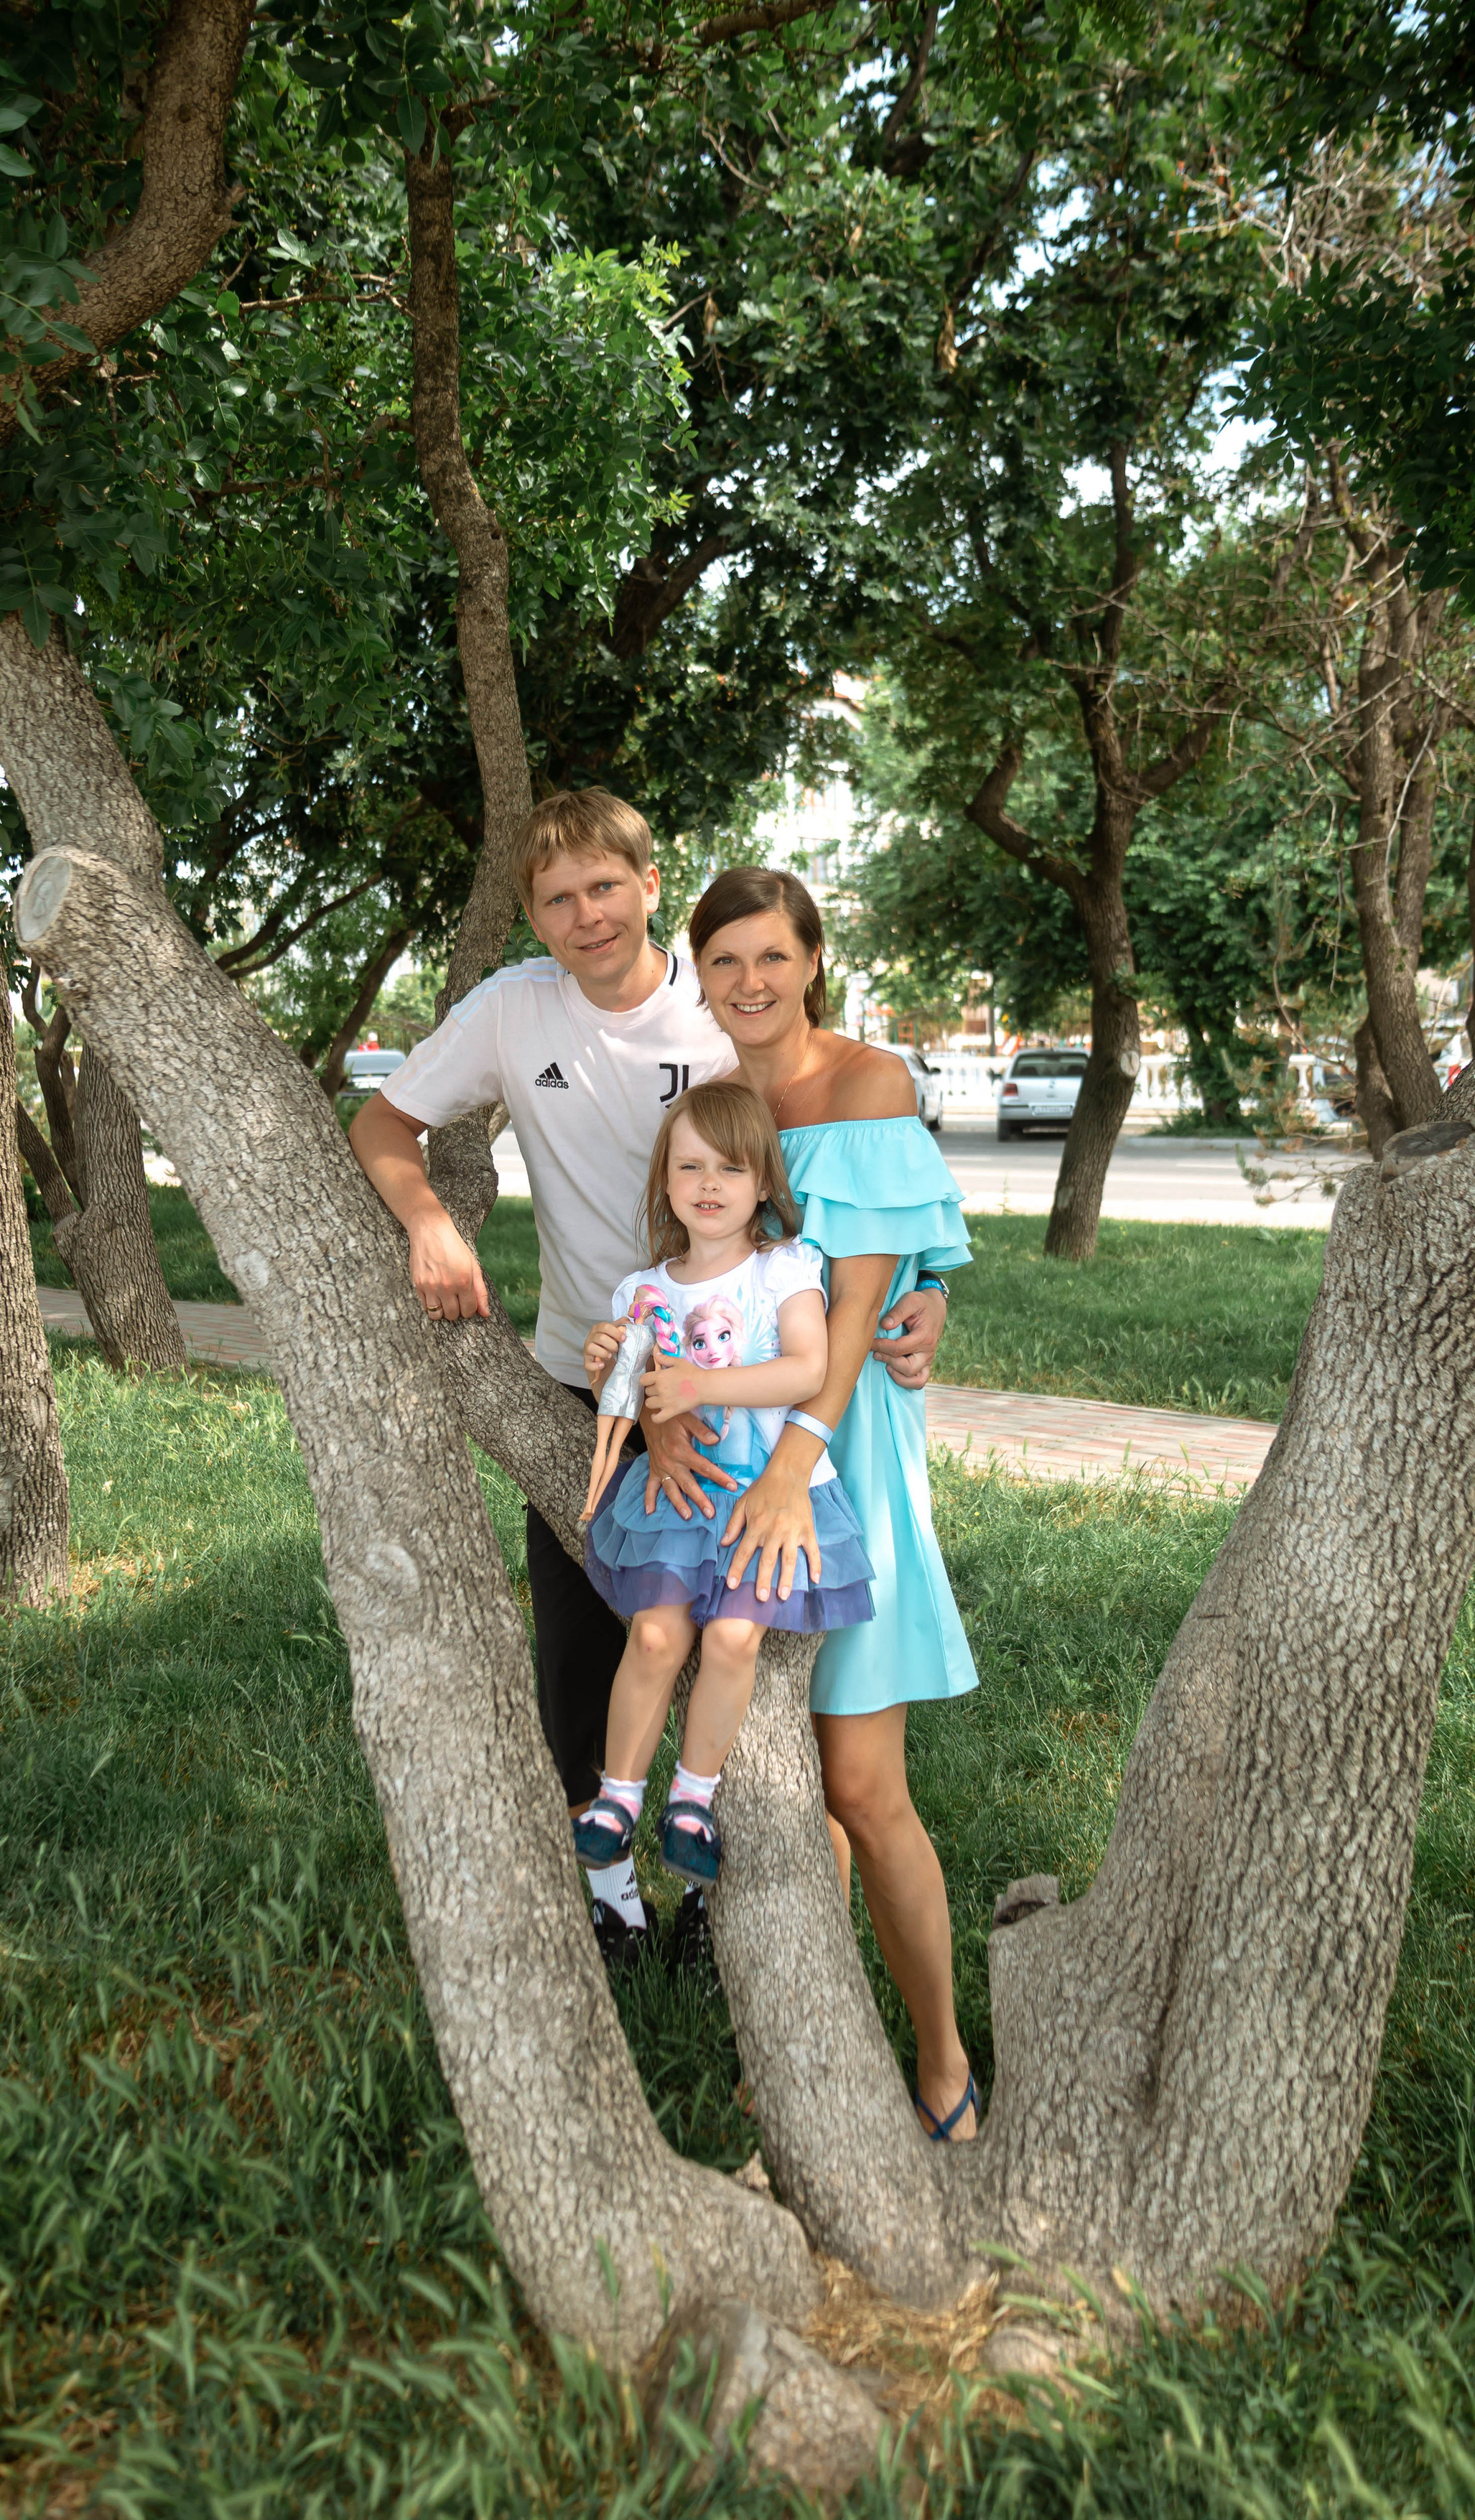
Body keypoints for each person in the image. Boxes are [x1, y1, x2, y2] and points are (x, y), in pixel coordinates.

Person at [349, 788, 949, 1968]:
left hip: (749, 1393)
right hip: (592, 1383)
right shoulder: (512, 1014)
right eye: (558, 898)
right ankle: (610, 1898)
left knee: (733, 1651)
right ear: (531, 913)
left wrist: (928, 1287)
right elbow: (381, 1127)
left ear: (649, 884)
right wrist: (427, 1223)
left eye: (605, 886)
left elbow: (839, 1168)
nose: (587, 915)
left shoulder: (725, 1017)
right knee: (585, 1658)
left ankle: (722, 1901)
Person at [643, 864, 980, 2142]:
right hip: (730, 1454)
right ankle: (810, 2058)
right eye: (723, 962)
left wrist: (796, 1459)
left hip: (839, 1453)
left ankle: (942, 2063)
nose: (749, 984)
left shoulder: (871, 1084)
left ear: (814, 959)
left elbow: (865, 1298)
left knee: (860, 1780)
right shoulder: (716, 1104)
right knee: (773, 1777)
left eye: (771, 957)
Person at [575, 1079, 874, 1887]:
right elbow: (637, 1395)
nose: (710, 1186)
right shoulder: (642, 1291)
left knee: (736, 1638)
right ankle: (616, 1799)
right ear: (665, 1182)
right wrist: (609, 1360)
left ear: (764, 1186)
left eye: (732, 1169)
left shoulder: (783, 1268)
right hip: (683, 1499)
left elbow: (808, 1367)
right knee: (656, 1636)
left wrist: (701, 1387)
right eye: (691, 1167)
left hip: (766, 1492)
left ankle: (692, 1799)